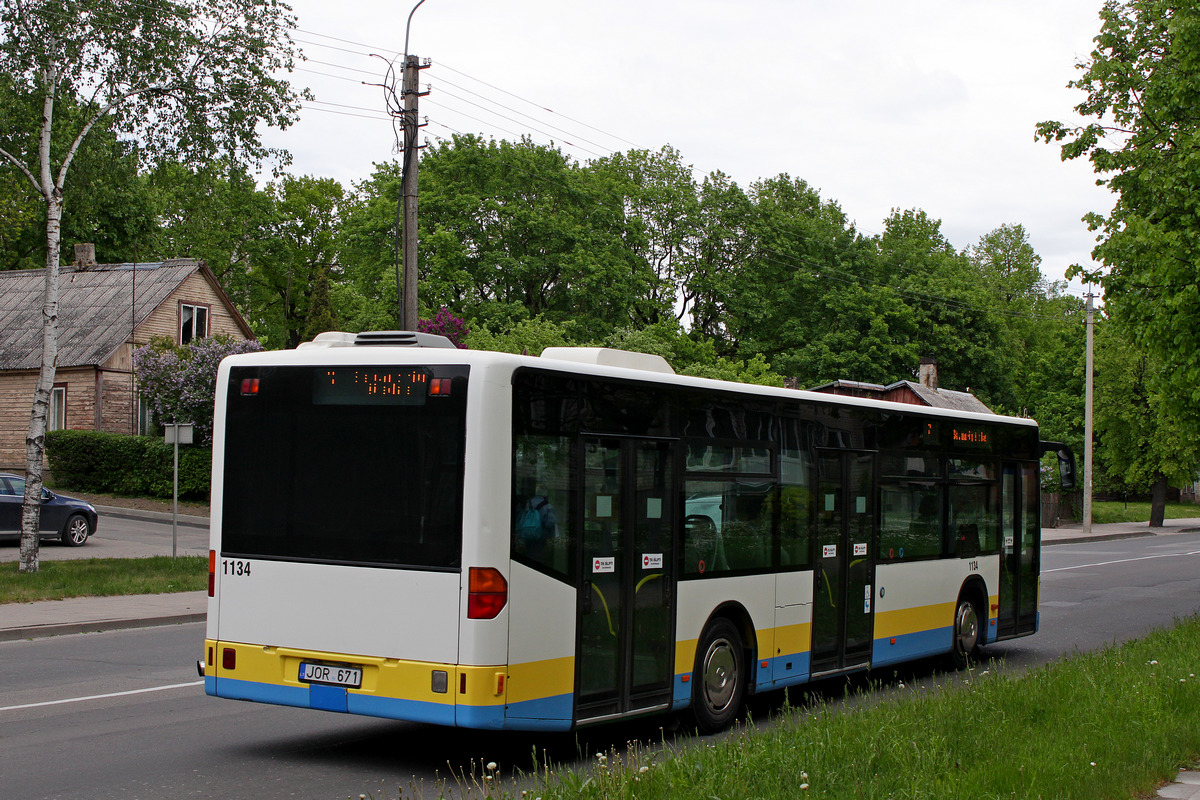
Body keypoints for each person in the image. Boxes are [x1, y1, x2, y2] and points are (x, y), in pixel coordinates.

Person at [514, 485, 558, 560]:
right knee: (537, 554)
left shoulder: (529, 503)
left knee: (528, 551)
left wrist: (518, 532)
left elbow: (522, 518)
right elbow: (550, 522)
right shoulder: (548, 506)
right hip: (540, 535)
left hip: (527, 532)